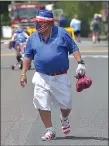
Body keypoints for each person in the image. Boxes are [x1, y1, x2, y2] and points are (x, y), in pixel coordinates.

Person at [20, 9, 86, 141]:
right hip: (41, 76)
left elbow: (74, 47)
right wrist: (23, 73)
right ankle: (50, 130)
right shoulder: (33, 37)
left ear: (50, 23)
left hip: (60, 76)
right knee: (41, 102)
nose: (37, 25)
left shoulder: (61, 33)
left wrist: (80, 63)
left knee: (66, 105)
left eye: (41, 23)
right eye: (37, 23)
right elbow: (27, 56)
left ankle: (64, 117)